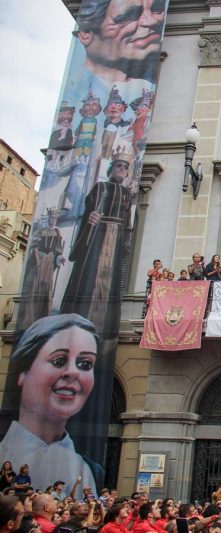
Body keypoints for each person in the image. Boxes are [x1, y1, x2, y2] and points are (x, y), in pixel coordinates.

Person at [0, 314, 100, 495]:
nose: (72, 372)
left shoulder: (91, 471)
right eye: (58, 361)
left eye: (85, 364)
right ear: (23, 371)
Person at [61, 149, 134, 335]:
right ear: (111, 169)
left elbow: (128, 221)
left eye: (125, 167)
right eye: (119, 165)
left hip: (116, 238)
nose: (122, 169)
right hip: (97, 235)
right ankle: (82, 316)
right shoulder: (100, 187)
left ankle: (103, 320)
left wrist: (126, 242)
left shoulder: (127, 193)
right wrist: (91, 217)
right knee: (90, 272)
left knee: (111, 276)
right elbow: (88, 211)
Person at [75, 0, 166, 84]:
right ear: (85, 33)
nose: (151, 21)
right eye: (128, 16)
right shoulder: (74, 92)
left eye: (157, 10)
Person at [18, 209, 65, 329]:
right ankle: (31, 317)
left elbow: (58, 248)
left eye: (54, 219)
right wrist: (36, 250)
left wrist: (60, 257)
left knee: (46, 286)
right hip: (39, 258)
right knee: (35, 284)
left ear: (56, 220)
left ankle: (43, 316)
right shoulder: (40, 231)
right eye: (51, 218)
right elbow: (34, 244)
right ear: (48, 218)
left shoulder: (57, 232)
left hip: (49, 260)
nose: (52, 220)